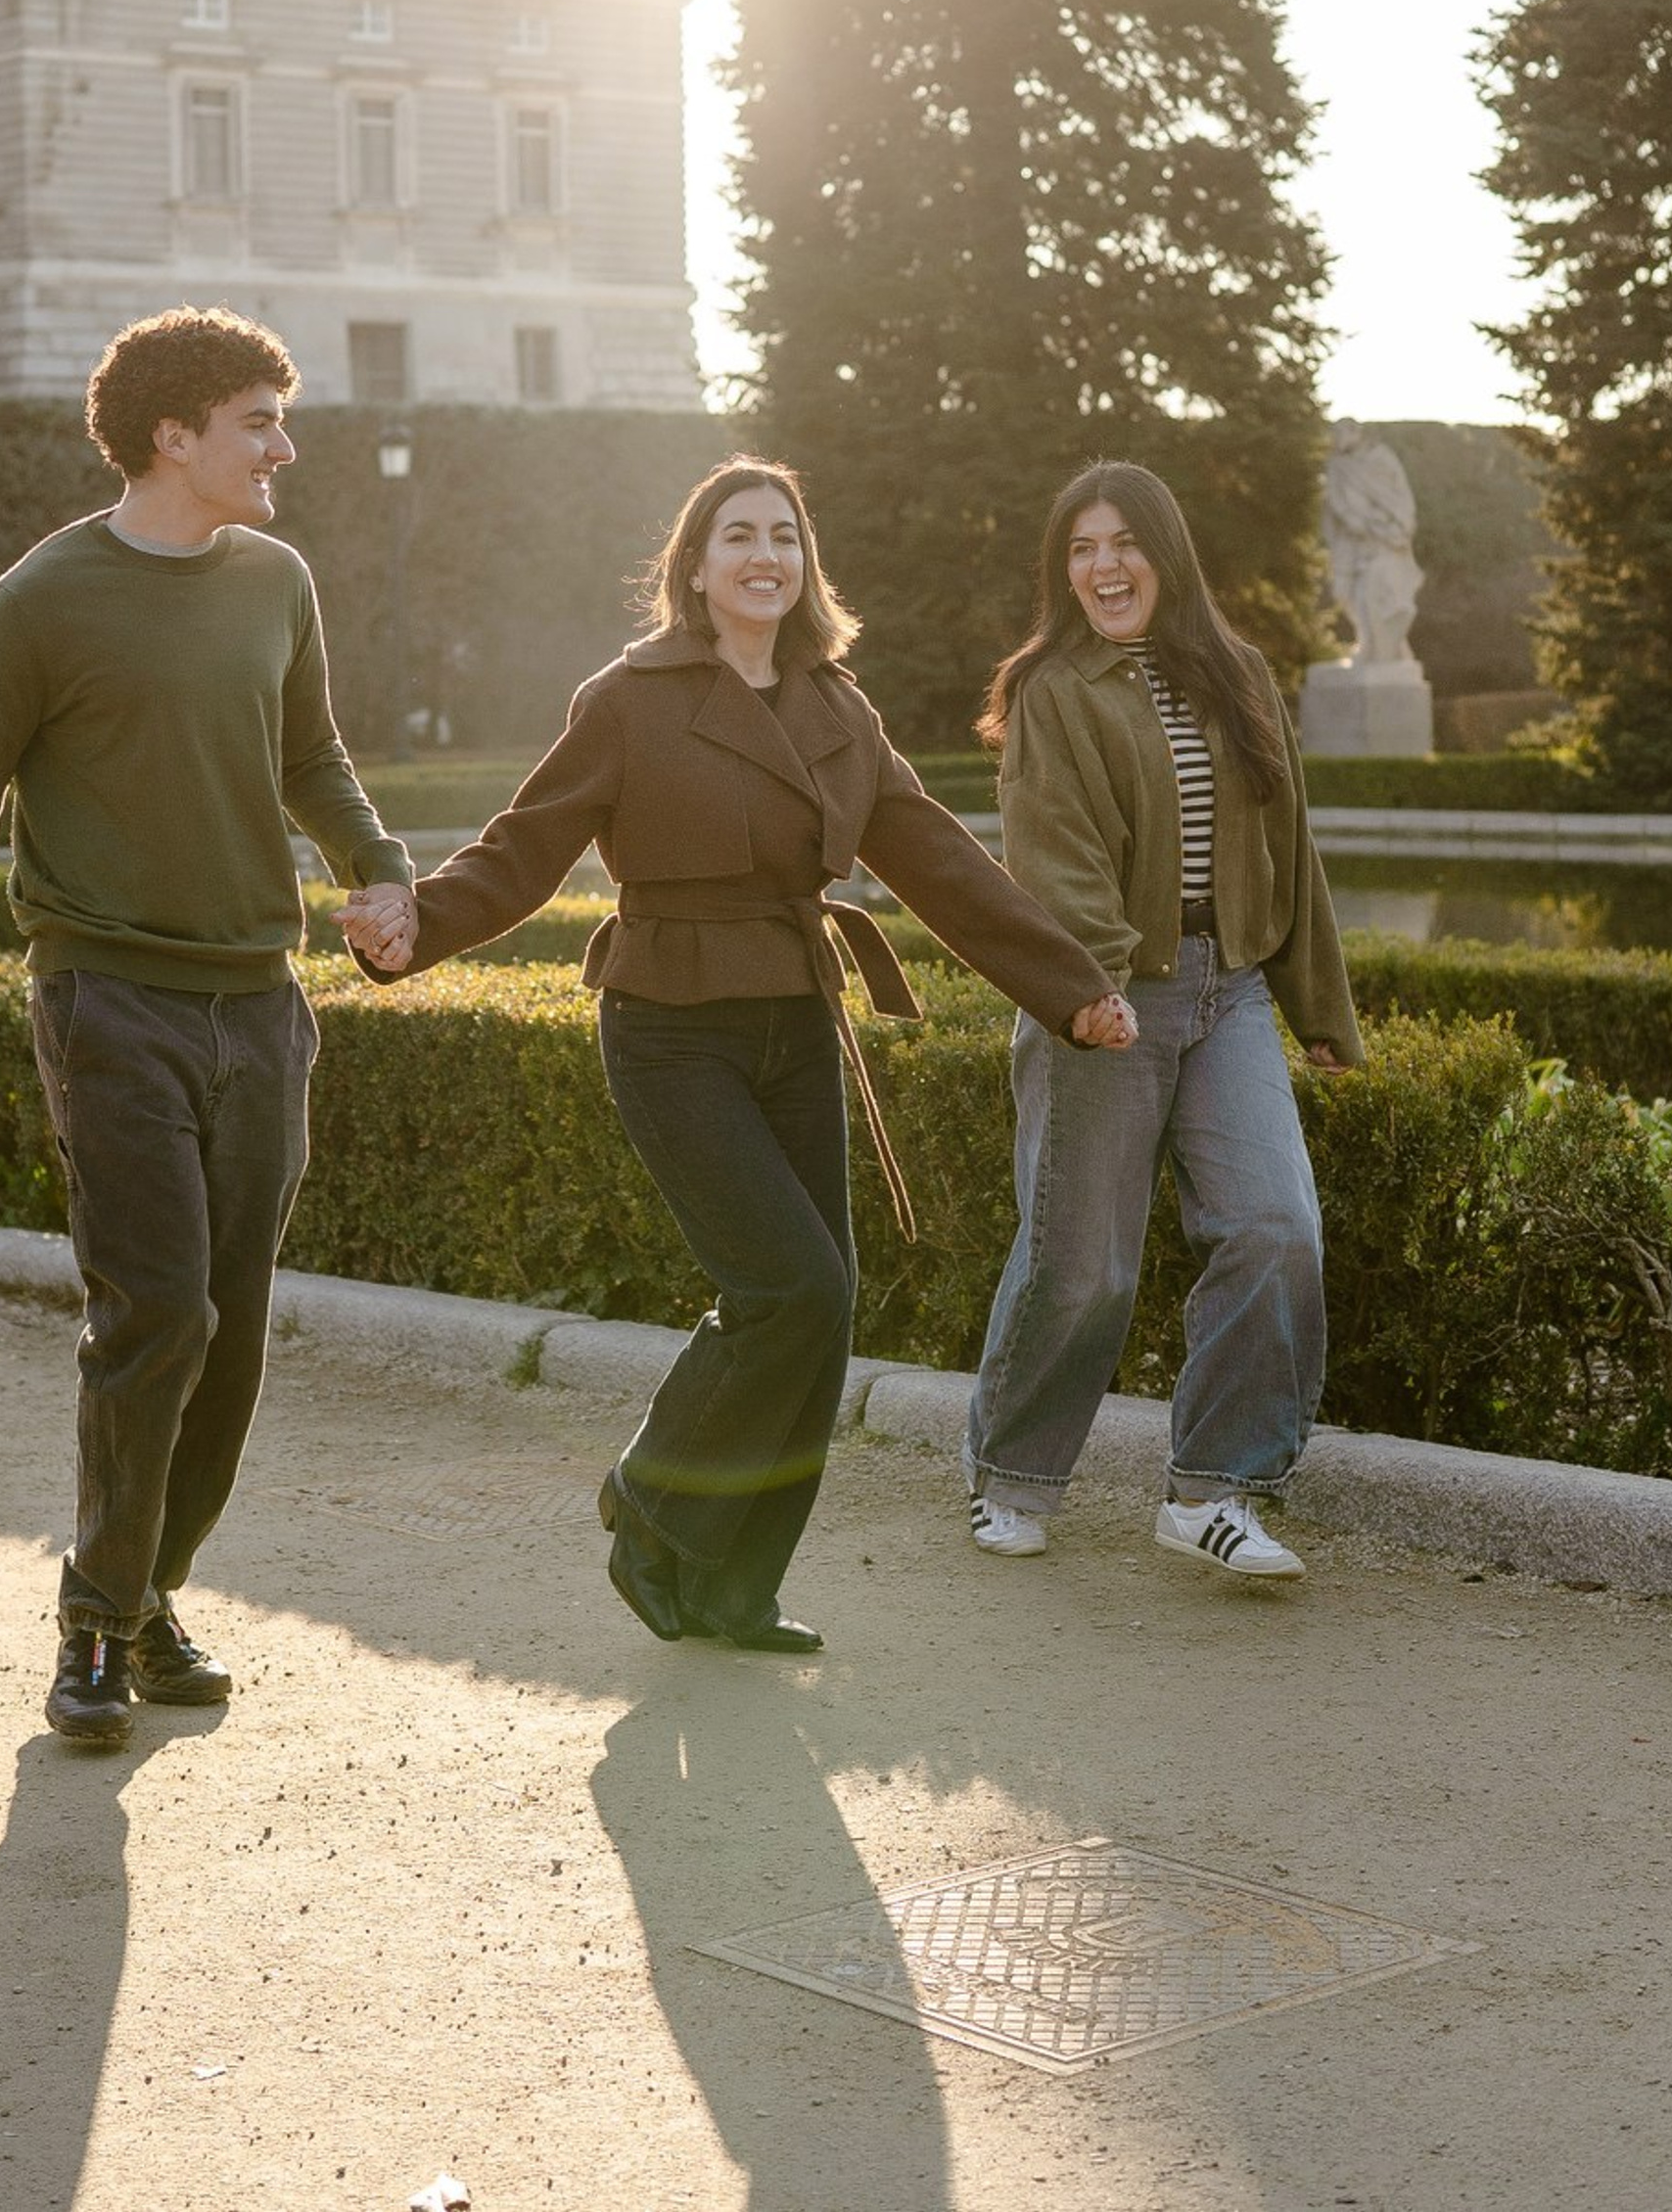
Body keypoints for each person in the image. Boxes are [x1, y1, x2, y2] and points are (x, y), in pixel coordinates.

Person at [339, 456, 1135, 1657]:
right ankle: (652, 1492)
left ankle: (734, 1584)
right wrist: (414, 929)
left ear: (804, 565)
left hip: (795, 1019)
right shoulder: (626, 697)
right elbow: (523, 847)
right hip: (668, 1023)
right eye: (738, 535)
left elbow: (937, 860)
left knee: (822, 1309)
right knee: (788, 1287)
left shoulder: (838, 706)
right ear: (695, 568)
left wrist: (1071, 989)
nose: (766, 554)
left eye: (785, 535)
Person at [0, 306, 416, 1747]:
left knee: (233, 1332)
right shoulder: (42, 598)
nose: (284, 448)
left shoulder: (278, 581)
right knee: (158, 1313)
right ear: (174, 435)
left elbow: (310, 752)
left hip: (262, 1001)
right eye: (260, 420)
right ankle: (92, 1623)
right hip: (105, 999)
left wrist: (374, 868)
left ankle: (145, 1594)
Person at [962, 461, 1363, 1583]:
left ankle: (1213, 1489)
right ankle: (1011, 1475)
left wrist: (1316, 1005)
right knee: (1083, 1266)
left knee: (1276, 1228)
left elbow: (1290, 846)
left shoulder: (1233, 673)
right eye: (1080, 549)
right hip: (1101, 994)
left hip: (1225, 985)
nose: (1102, 567)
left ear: (1165, 552)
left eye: (1122, 542)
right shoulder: (1050, 686)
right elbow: (1055, 853)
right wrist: (1090, 988)